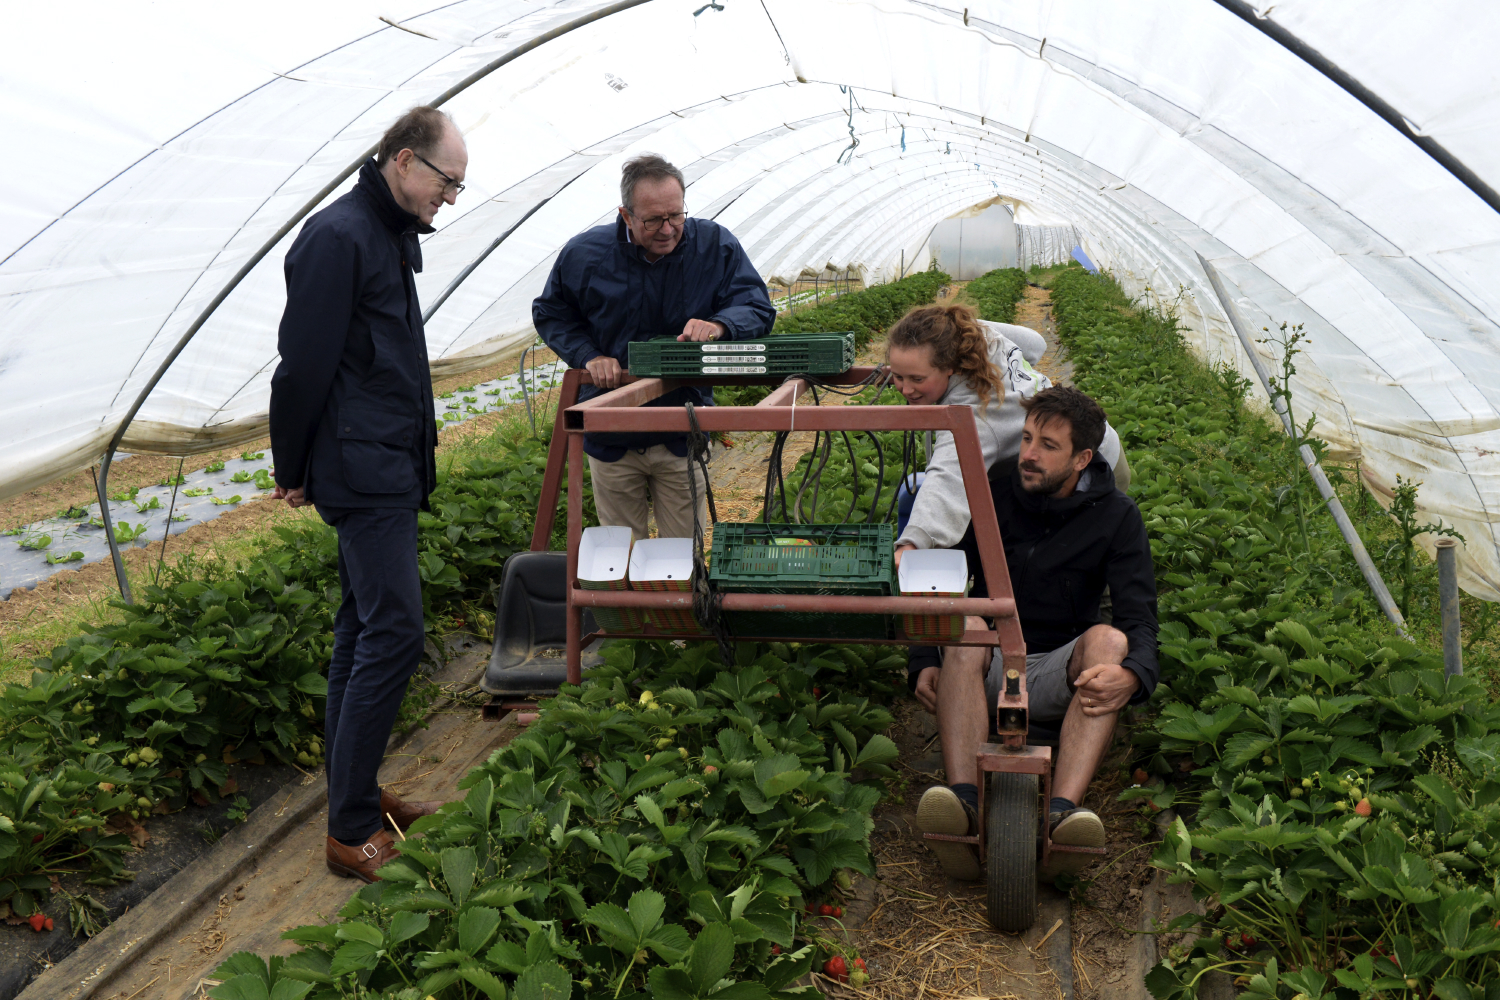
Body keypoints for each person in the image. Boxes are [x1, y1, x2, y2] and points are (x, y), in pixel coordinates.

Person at [269, 106, 465, 882]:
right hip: (362, 467)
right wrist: (292, 464)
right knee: (395, 632)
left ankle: (356, 794)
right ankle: (349, 828)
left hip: (386, 460)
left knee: (362, 628)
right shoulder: (339, 236)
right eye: (447, 181)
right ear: (405, 160)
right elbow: (302, 363)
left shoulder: (386, 233)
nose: (450, 197)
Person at [908, 385, 1158, 881]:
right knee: (968, 622)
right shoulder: (991, 497)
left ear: (1083, 458)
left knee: (1110, 641)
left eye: (1048, 445)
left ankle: (1062, 815)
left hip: (1055, 673)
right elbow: (940, 585)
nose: (1028, 454)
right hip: (986, 664)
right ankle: (963, 802)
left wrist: (1133, 676)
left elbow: (1139, 618)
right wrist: (924, 661)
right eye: (1025, 439)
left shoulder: (1117, 516)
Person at [532, 153, 776, 542]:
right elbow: (552, 313)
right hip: (611, 431)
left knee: (684, 551)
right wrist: (588, 356)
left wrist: (719, 325)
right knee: (621, 553)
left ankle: (681, 586)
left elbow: (756, 306)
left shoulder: (714, 246)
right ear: (626, 215)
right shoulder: (585, 255)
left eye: (676, 215)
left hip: (681, 427)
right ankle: (628, 586)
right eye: (653, 220)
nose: (667, 229)